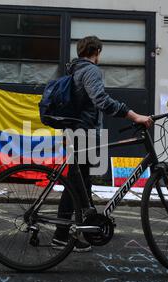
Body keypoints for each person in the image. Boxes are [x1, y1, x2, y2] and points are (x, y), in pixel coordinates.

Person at [52, 36, 154, 252]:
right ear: (96, 51)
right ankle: (62, 234)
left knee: (80, 182)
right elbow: (101, 100)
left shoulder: (74, 69)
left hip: (75, 130)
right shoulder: (90, 70)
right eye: (100, 53)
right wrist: (133, 115)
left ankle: (83, 230)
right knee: (77, 183)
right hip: (85, 132)